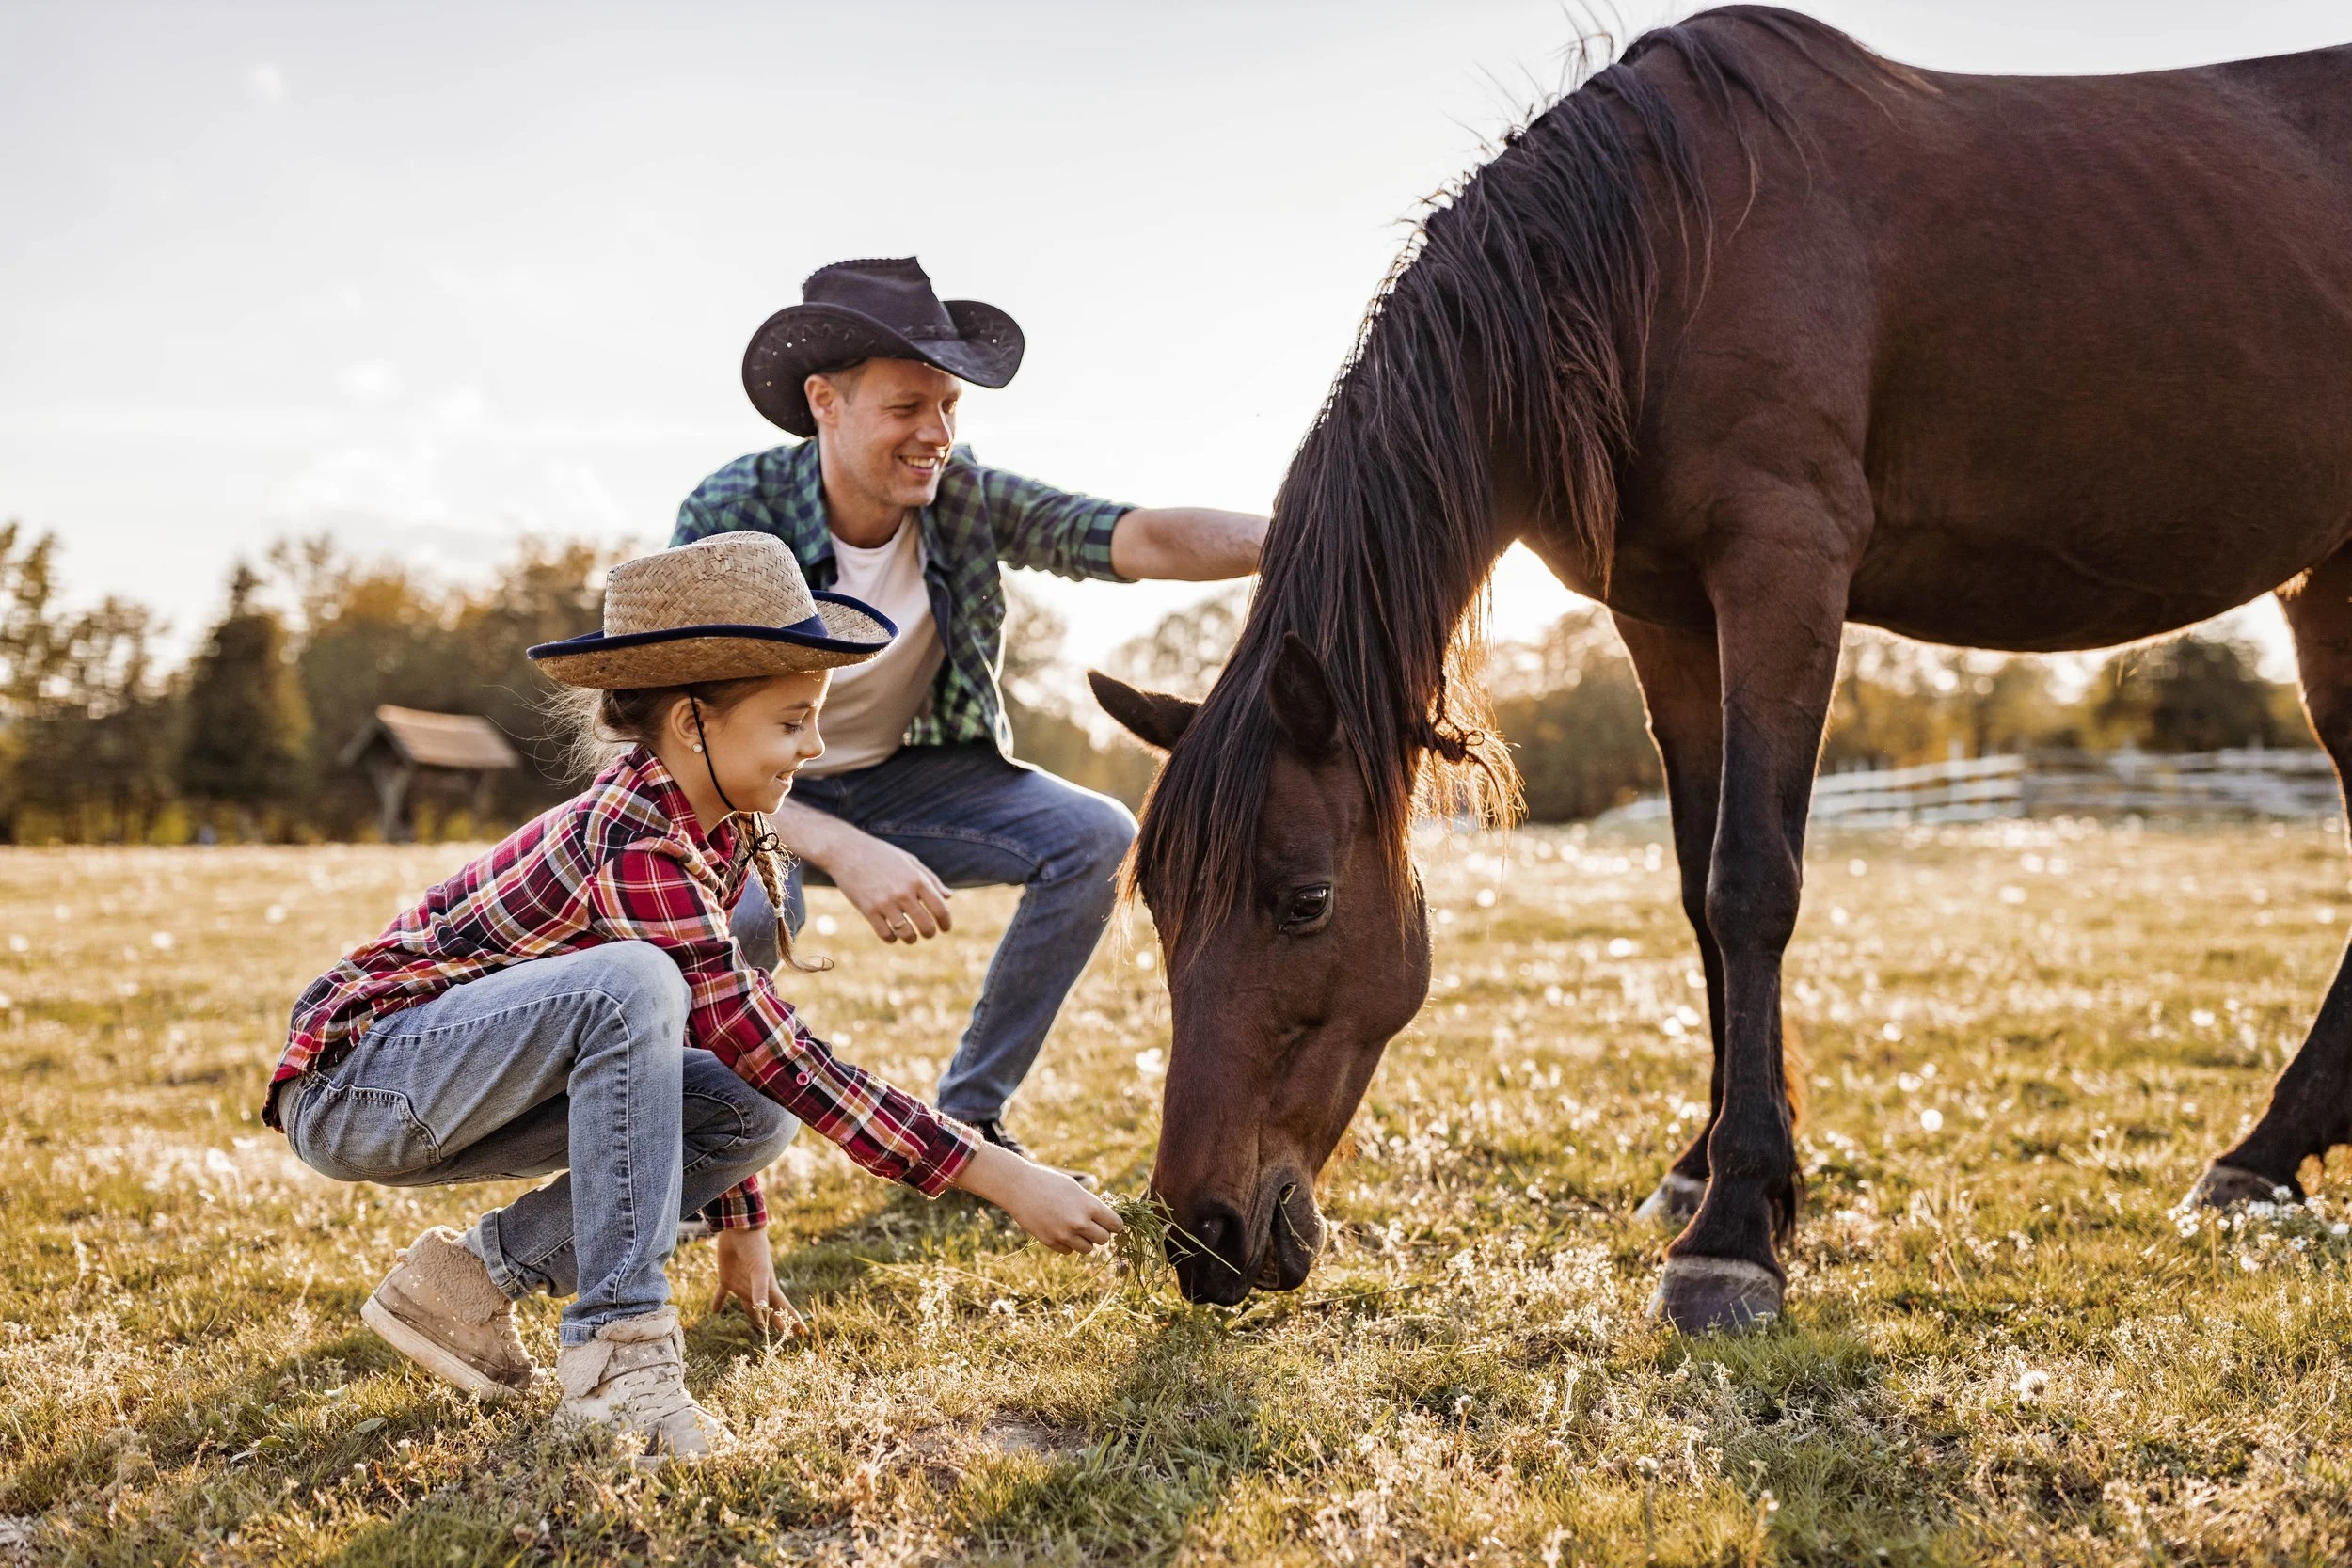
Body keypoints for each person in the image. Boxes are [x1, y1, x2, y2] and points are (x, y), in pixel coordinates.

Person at [263, 531, 1121, 1461]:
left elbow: (744, 1058)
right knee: (634, 985)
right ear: (690, 722)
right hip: (361, 1086)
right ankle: (619, 1368)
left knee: (747, 1110)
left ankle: (466, 1281)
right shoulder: (636, 840)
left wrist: (743, 1232)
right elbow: (771, 1041)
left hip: (461, 1087)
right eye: (793, 721)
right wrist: (991, 1169)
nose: (816, 746)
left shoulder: (719, 839)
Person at [677, 257, 1264, 1160]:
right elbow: (678, 744)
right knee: (751, 916)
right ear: (825, 402)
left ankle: (971, 1116)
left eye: (949, 405)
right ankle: (698, 1146)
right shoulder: (732, 514)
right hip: (748, 795)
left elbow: (1131, 536)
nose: (937, 434)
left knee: (1096, 836)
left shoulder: (967, 500)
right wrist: (839, 845)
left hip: (908, 777)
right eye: (907, 409)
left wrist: (1300, 533)